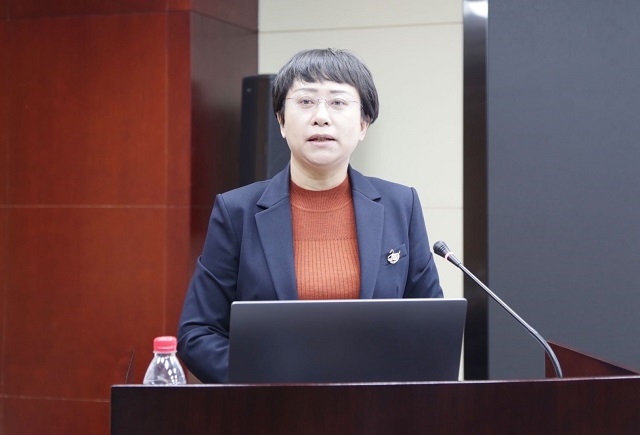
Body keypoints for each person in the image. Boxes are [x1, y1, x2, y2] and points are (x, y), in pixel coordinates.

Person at [177, 48, 443, 383]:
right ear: (281, 121)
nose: (321, 117)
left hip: (375, 406)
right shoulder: (236, 211)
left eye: (338, 102)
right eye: (305, 101)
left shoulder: (401, 205)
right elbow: (197, 333)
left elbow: (433, 328)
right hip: (271, 406)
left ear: (363, 124)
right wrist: (267, 383)